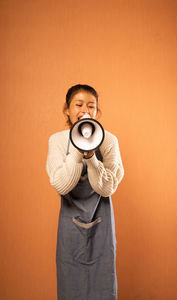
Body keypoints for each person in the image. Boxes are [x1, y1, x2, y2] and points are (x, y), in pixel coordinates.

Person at [46, 84, 124, 300]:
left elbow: (106, 188)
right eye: (78, 105)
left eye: (91, 106)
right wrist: (77, 149)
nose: (85, 111)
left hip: (102, 225)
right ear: (67, 110)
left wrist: (91, 157)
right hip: (70, 226)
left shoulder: (109, 140)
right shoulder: (57, 141)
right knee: (71, 286)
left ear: (97, 112)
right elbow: (62, 185)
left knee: (103, 285)